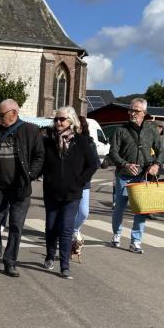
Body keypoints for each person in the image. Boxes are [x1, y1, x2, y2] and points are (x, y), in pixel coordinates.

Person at [0, 99, 44, 277]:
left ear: (14, 113)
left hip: (20, 188)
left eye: (2, 115)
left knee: (16, 225)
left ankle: (10, 261)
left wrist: (31, 175)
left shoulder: (30, 130)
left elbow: (40, 156)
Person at [41, 107, 99, 279]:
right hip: (51, 192)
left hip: (72, 193)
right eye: (56, 119)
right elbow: (40, 163)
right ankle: (50, 255)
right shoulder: (48, 141)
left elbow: (93, 164)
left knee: (66, 229)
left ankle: (64, 266)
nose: (58, 122)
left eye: (62, 119)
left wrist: (80, 181)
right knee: (51, 228)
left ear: (71, 121)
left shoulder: (82, 141)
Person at [108, 97, 164, 254]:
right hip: (124, 175)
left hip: (143, 176)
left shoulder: (151, 130)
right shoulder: (121, 130)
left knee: (141, 209)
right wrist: (125, 164)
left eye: (136, 111)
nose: (132, 113)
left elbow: (161, 151)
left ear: (144, 113)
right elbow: (112, 153)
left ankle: (136, 241)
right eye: (130, 110)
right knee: (119, 207)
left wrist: (156, 165)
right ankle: (117, 233)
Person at [71, 115, 100, 257]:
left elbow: (96, 163)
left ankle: (73, 229)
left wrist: (84, 173)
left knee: (83, 213)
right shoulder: (66, 141)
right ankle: (69, 235)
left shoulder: (89, 142)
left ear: (83, 128)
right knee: (69, 212)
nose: (76, 129)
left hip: (84, 183)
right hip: (67, 183)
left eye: (78, 127)